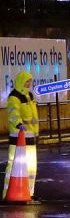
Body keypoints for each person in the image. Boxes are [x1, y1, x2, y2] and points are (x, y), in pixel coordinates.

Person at [3, 70, 39, 199]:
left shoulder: (30, 96)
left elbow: (33, 117)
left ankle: (29, 193)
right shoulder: (14, 97)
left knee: (31, 168)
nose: (29, 83)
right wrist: (19, 124)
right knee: (13, 166)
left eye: (30, 81)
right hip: (18, 137)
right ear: (21, 81)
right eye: (27, 81)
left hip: (30, 137)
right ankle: (7, 193)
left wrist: (36, 133)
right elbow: (14, 113)